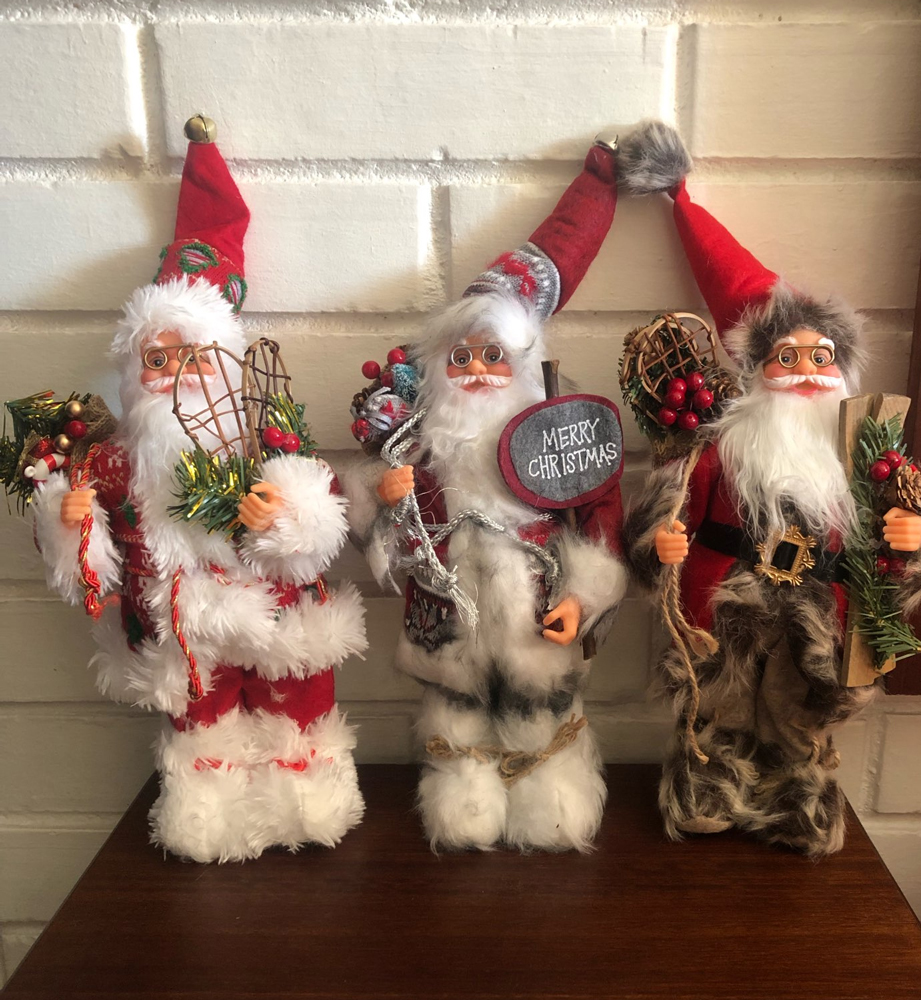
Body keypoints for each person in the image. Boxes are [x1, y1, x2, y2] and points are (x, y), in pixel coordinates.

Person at [32, 118, 367, 863]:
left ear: (223, 363)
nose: (172, 373)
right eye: (155, 360)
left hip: (278, 621)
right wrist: (69, 520)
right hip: (181, 631)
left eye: (191, 356)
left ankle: (306, 805)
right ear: (133, 375)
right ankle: (209, 819)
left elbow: (323, 520)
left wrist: (283, 513)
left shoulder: (260, 439)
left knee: (296, 711)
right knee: (200, 721)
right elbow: (87, 571)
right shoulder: (110, 463)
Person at [619, 122, 921, 856]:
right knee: (720, 704)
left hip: (819, 609)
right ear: (756, 369)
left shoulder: (862, 447)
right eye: (787, 358)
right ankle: (707, 781)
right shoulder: (722, 447)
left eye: (820, 358)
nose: (805, 372)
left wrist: (915, 533)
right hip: (725, 600)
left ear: (843, 370)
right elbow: (667, 509)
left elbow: (907, 511)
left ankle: (798, 794)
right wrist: (660, 540)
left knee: (798, 711)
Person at [345, 135, 633, 852]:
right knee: (456, 710)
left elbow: (599, 516)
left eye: (494, 356)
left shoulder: (557, 434)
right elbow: (383, 528)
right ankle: (462, 785)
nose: (477, 371)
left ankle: (552, 785)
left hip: (538, 613)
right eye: (463, 357)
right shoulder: (419, 444)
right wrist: (386, 497)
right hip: (445, 620)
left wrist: (584, 597)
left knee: (542, 709)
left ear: (523, 364)